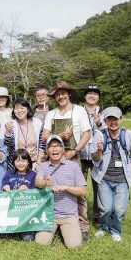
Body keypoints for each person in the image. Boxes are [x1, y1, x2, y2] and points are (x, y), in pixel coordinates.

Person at [42, 81, 92, 239]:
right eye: (57, 94)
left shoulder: (79, 111)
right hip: (54, 154)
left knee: (78, 192)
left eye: (63, 93)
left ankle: (82, 226)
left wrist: (75, 151)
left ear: (69, 94)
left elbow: (87, 133)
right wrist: (60, 137)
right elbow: (45, 136)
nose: (61, 96)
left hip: (73, 155)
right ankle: (58, 222)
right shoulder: (52, 114)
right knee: (54, 188)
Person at [92, 107, 131, 242]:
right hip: (104, 178)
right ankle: (103, 228)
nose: (113, 122)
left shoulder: (129, 135)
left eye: (116, 119)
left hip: (122, 180)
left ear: (121, 119)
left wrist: (128, 174)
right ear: (105, 121)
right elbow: (95, 160)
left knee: (119, 210)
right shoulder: (99, 135)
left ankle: (116, 231)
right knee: (105, 208)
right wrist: (99, 150)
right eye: (110, 119)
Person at [35, 135, 87, 248]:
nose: (55, 149)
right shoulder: (43, 166)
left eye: (58, 146)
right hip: (49, 215)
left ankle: (65, 229)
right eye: (51, 146)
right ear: (47, 150)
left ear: (63, 149)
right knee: (41, 243)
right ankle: (57, 230)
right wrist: (45, 182)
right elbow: (37, 182)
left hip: (69, 215)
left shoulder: (74, 166)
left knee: (74, 246)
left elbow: (83, 191)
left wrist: (66, 188)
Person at [80, 84, 104, 225]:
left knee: (99, 187)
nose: (92, 95)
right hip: (81, 154)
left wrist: (99, 124)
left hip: (97, 155)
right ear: (85, 96)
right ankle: (80, 215)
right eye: (89, 93)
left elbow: (109, 131)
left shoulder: (104, 112)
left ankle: (97, 215)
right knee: (80, 186)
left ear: (99, 97)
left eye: (95, 93)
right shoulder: (78, 111)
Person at [1, 148, 36, 242]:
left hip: (26, 213)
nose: (20, 163)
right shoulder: (9, 173)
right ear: (14, 162)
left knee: (28, 239)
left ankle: (23, 230)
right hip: (11, 211)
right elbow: (4, 184)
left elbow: (37, 195)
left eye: (23, 160)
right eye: (17, 161)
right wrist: (5, 186)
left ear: (28, 162)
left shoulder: (33, 175)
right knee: (3, 236)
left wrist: (29, 190)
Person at [4, 98, 45, 172]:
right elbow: (8, 145)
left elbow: (42, 144)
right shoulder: (12, 124)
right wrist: (8, 132)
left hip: (34, 164)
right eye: (16, 108)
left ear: (28, 109)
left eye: (22, 108)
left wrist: (38, 163)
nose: (19, 111)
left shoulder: (37, 123)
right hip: (17, 165)